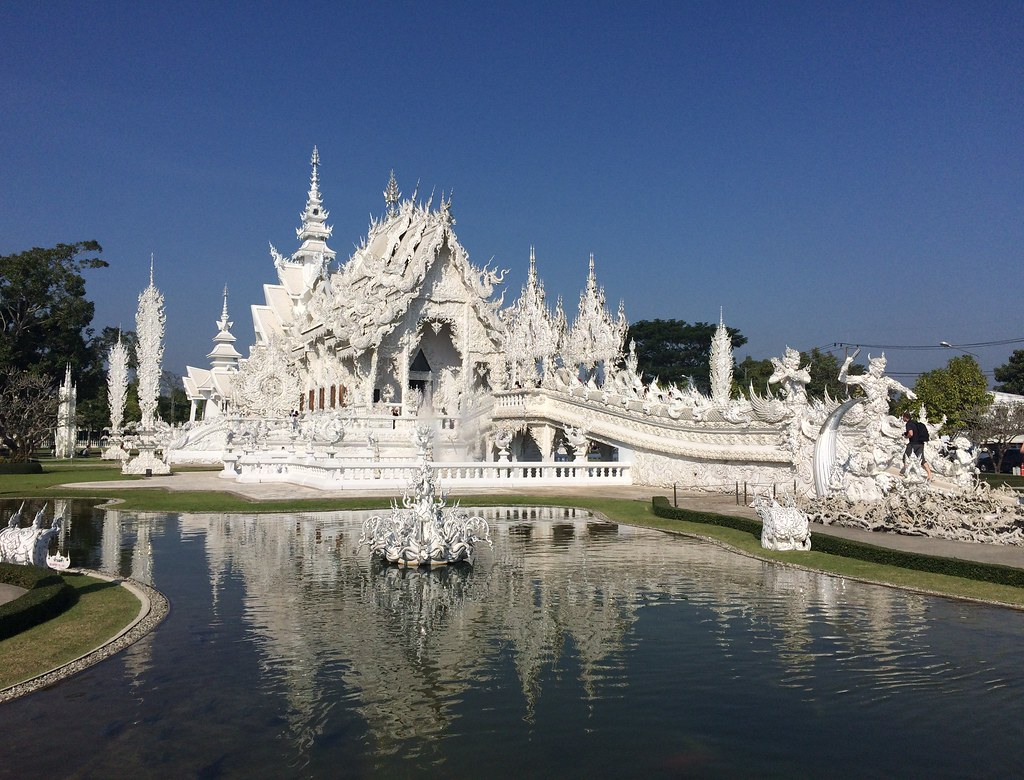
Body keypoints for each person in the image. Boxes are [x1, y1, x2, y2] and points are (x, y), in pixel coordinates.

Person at [901, 412, 933, 480]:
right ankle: (930, 474)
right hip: (920, 444)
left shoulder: (908, 424)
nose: (902, 418)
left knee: (906, 457)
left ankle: (906, 472)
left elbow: (911, 433)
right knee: (921, 459)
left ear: (905, 417)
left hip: (913, 444)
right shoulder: (915, 423)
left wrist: (906, 436)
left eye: (902, 417)